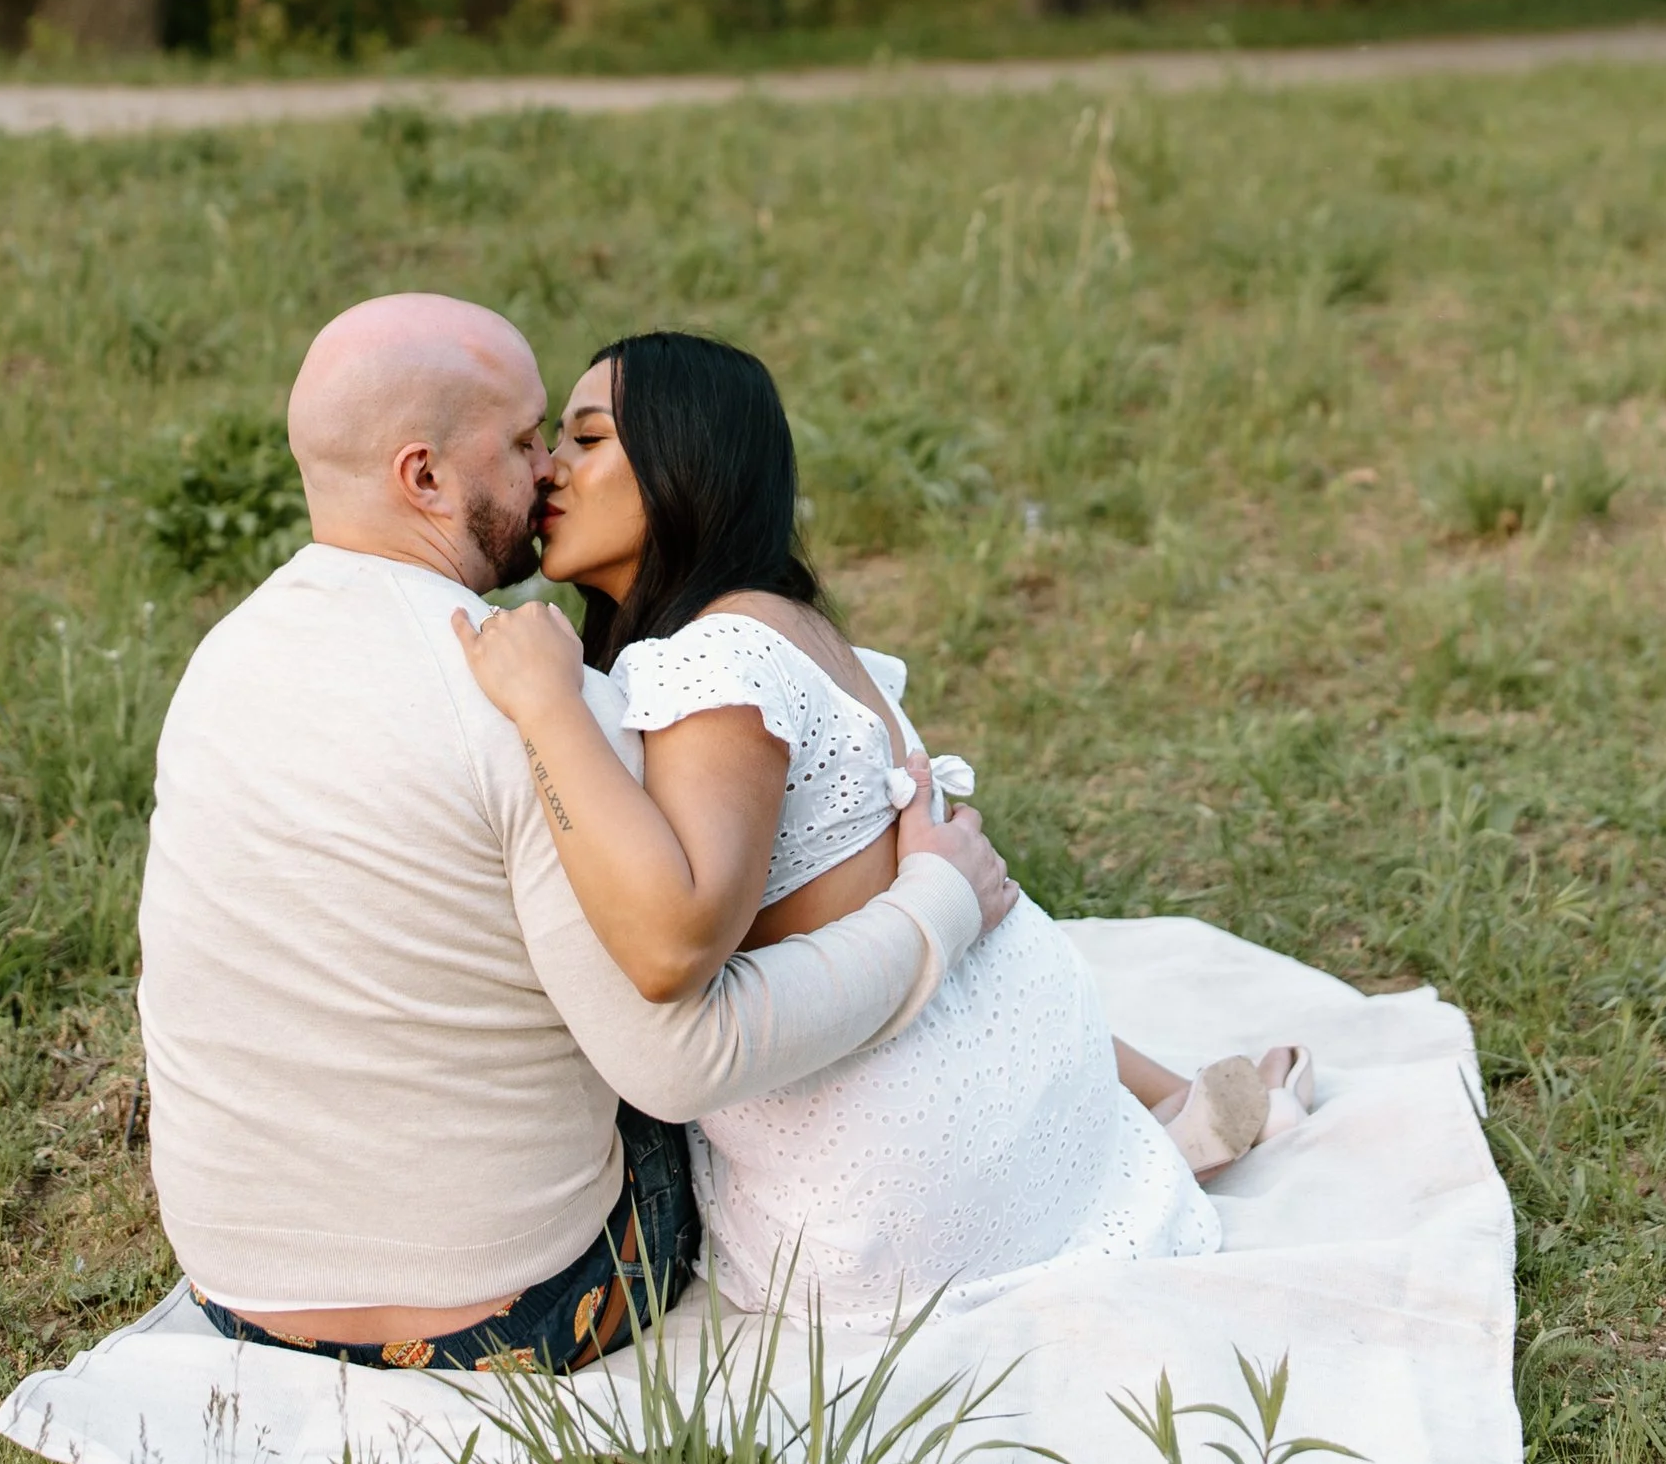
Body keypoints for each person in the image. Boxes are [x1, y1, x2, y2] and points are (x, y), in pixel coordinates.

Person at [135, 292, 1014, 1377]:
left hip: (244, 1291)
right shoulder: (522, 694)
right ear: (425, 478)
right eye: (520, 440)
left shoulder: (221, 661)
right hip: (507, 1316)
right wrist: (939, 908)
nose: (546, 465)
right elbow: (686, 1067)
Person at [458, 329, 1309, 1332]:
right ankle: (1168, 1115)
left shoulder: (711, 660)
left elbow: (673, 944)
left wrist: (548, 708)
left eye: (586, 440)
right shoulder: (784, 623)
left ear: (682, 464)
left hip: (894, 1219)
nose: (551, 469)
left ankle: (1167, 1117)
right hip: (1013, 1125)